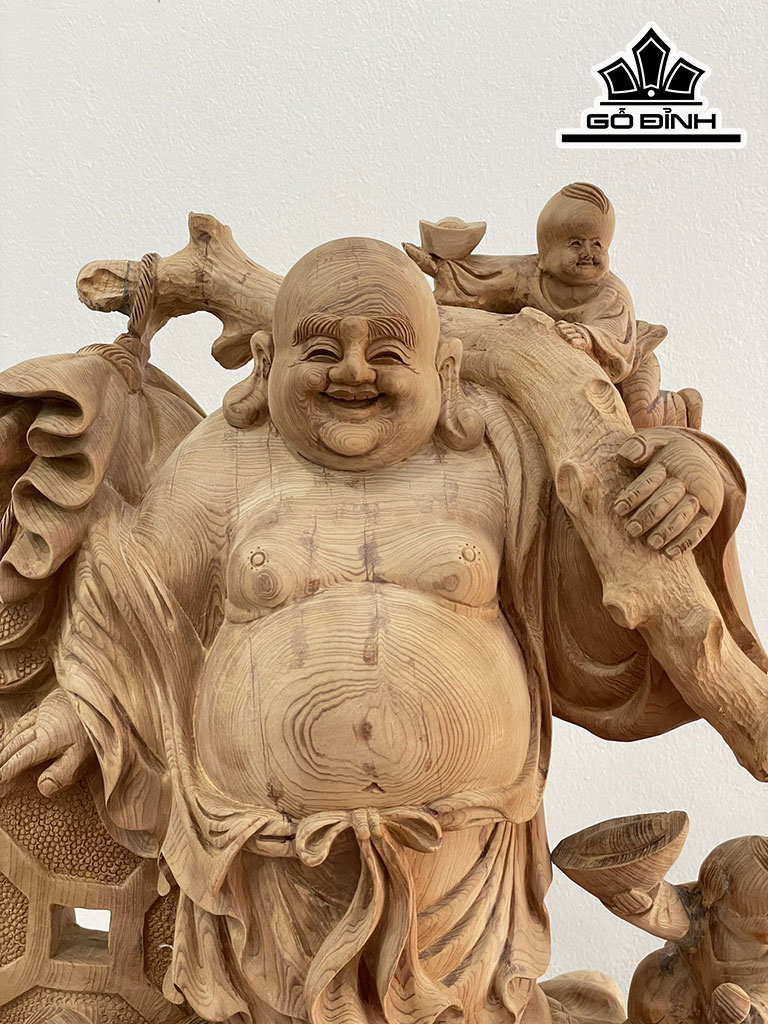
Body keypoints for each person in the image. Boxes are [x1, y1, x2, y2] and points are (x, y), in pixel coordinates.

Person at [0, 237, 763, 1024]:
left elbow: (601, 594)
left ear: (445, 369)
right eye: (321, 350)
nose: (355, 372)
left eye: (388, 352)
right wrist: (82, 704)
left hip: (459, 863)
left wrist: (694, 472)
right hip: (267, 866)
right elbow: (137, 590)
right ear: (264, 361)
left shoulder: (496, 455)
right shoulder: (228, 456)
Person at [404, 182, 636, 383]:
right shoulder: (529, 273)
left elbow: (614, 332)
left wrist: (587, 336)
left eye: (597, 244)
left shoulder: (610, 292)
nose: (588, 253)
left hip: (608, 370)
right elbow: (484, 277)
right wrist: (440, 267)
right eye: (576, 244)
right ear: (548, 249)